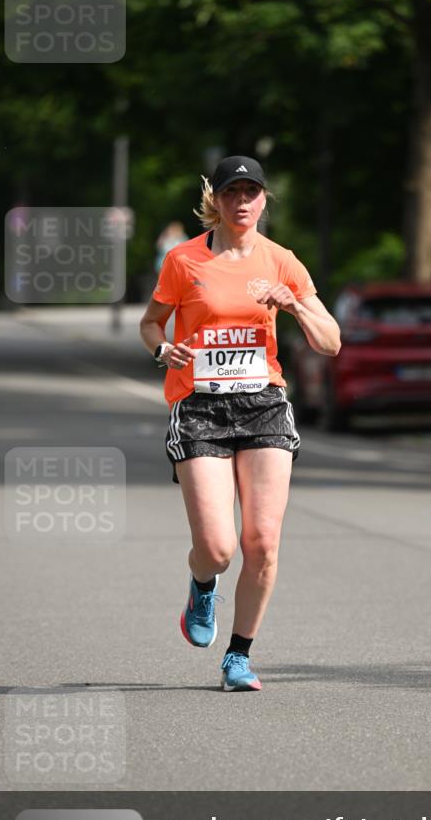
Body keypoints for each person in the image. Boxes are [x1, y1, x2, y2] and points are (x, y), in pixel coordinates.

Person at [139, 155, 341, 691]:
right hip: (200, 407)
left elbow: (332, 340)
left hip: (264, 405)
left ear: (264, 200)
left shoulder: (282, 261)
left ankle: (238, 656)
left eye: (252, 192)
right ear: (217, 201)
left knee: (263, 543)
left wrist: (294, 303)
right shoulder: (183, 261)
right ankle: (203, 581)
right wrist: (163, 350)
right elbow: (151, 323)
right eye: (233, 193)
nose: (243, 201)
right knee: (219, 547)